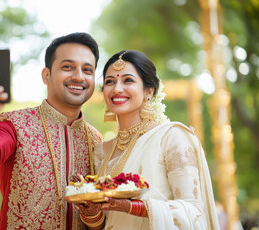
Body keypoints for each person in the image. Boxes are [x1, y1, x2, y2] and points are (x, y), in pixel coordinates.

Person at [0, 32, 103, 230]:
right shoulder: (15, 125)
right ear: (46, 75)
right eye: (67, 67)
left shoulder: (96, 140)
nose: (79, 76)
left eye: (87, 70)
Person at [77, 50, 220, 230]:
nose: (117, 89)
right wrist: (90, 212)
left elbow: (194, 212)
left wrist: (133, 207)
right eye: (109, 82)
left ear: (149, 91)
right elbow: (107, 223)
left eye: (128, 80)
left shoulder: (171, 137)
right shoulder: (100, 152)